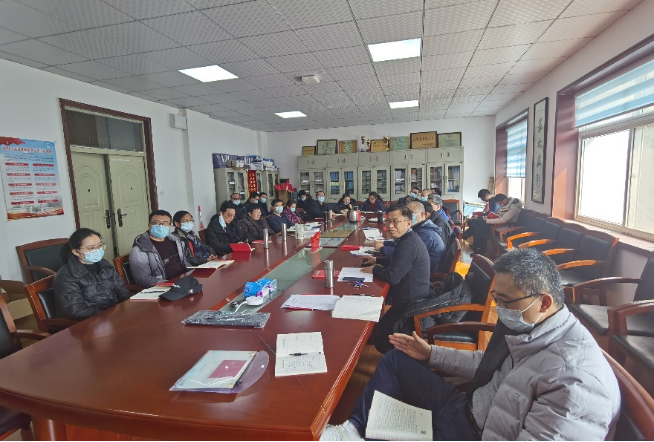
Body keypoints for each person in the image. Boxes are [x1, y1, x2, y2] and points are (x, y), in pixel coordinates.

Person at [322, 249, 621, 441]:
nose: (499, 309)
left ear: (543, 302)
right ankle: (352, 430)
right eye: (496, 299)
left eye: (505, 301)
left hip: (474, 433)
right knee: (395, 360)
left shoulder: (574, 379)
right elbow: (485, 364)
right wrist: (431, 354)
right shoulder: (531, 325)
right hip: (467, 408)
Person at [361, 205, 431, 353]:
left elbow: (392, 277)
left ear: (408, 223)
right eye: (388, 221)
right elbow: (399, 262)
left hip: (411, 302)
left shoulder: (408, 245)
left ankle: (400, 360)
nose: (390, 226)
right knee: (380, 328)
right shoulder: (406, 239)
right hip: (410, 295)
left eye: (396, 221)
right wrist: (377, 260)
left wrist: (374, 269)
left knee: (382, 339)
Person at [53, 228, 131, 321]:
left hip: (115, 315)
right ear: (76, 251)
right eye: (91, 248)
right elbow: (75, 310)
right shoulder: (66, 276)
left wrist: (129, 307)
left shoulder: (104, 264)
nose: (97, 250)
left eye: (99, 246)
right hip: (91, 322)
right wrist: (109, 315)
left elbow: (122, 291)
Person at [374, 201, 444, 274]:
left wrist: (382, 248)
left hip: (427, 272)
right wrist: (384, 243)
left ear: (422, 214)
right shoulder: (419, 228)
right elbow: (401, 245)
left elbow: (403, 253)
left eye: (410, 212)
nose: (407, 215)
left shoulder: (425, 234)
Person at [130, 210, 190, 287]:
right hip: (166, 287)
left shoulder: (176, 241)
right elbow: (143, 279)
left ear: (169, 226)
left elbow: (185, 263)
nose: (161, 226)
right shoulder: (139, 250)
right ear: (149, 225)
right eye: (156, 223)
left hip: (184, 281)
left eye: (165, 223)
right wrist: (172, 284)